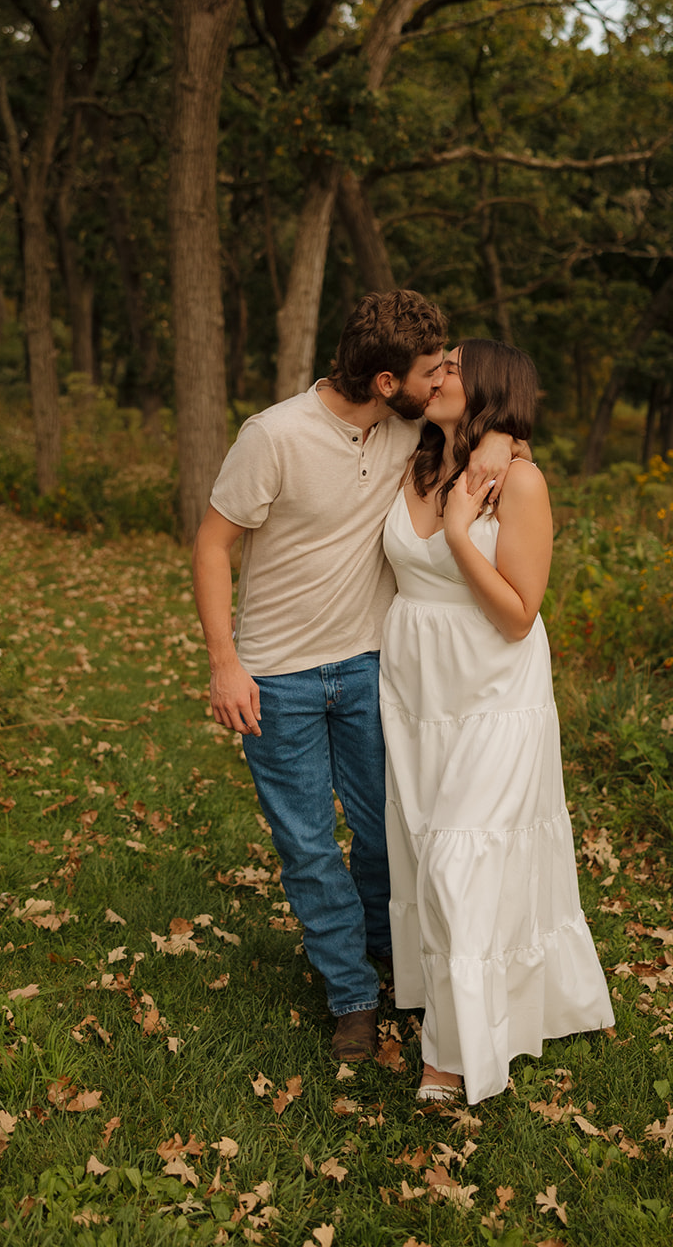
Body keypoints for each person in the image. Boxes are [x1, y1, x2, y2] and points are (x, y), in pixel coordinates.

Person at [192, 292, 518, 1063]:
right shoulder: (272, 436)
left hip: (374, 668)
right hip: (276, 676)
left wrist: (502, 436)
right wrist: (224, 662)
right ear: (383, 381)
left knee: (383, 836)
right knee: (308, 846)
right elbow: (212, 546)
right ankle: (351, 998)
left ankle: (394, 961)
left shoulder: (408, 428)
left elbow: (481, 426)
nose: (440, 378)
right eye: (429, 368)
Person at [380, 339, 614, 1104]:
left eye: (450, 368)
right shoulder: (411, 457)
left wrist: (455, 532)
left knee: (459, 857)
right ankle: (450, 998)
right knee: (422, 848)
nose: (435, 377)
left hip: (492, 688)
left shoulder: (520, 481)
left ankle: (451, 1056)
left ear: (489, 387)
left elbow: (518, 615)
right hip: (417, 689)